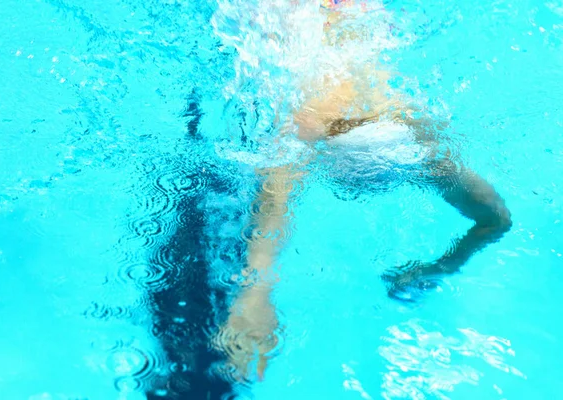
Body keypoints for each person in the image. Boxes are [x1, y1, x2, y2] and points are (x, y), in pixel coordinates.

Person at [217, 0, 512, 383]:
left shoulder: (421, 138)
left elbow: (498, 219)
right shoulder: (315, 117)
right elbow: (274, 200)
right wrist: (253, 294)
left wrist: (442, 268)